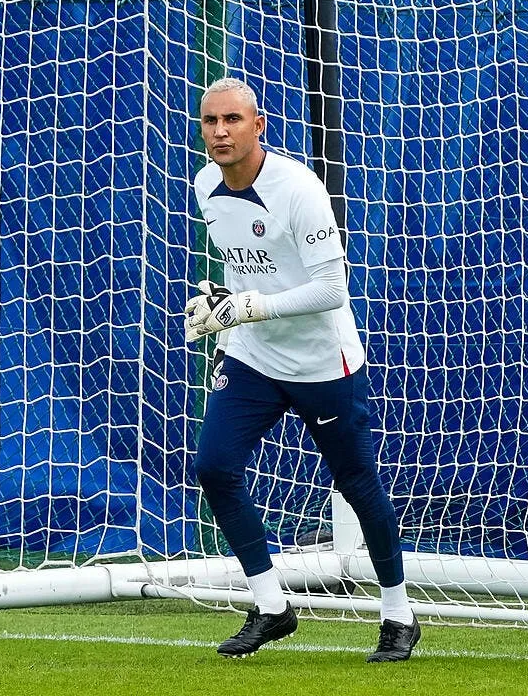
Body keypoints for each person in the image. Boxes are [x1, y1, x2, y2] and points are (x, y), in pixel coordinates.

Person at [184, 77, 420, 662]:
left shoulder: (298, 189)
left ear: (258, 126)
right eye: (211, 121)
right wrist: (225, 313)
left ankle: (398, 615)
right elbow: (246, 272)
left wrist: (251, 307)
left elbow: (332, 289)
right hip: (253, 357)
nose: (221, 132)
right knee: (214, 466)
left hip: (323, 363)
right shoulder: (205, 185)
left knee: (357, 482)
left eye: (233, 120)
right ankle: (271, 606)